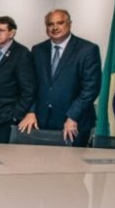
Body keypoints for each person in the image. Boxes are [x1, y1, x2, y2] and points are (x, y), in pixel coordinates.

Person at [18, 9, 101, 146]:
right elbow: (31, 86)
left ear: (69, 24)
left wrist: (73, 116)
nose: (55, 27)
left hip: (74, 123)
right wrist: (31, 111)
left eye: (60, 23)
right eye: (50, 24)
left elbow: (91, 89)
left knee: (72, 160)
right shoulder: (38, 50)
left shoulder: (87, 49)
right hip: (41, 121)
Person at [0, 16, 36, 143]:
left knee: (6, 154)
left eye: (1, 30)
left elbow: (28, 90)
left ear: (12, 33)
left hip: (7, 118)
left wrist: (16, 116)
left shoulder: (22, 53)